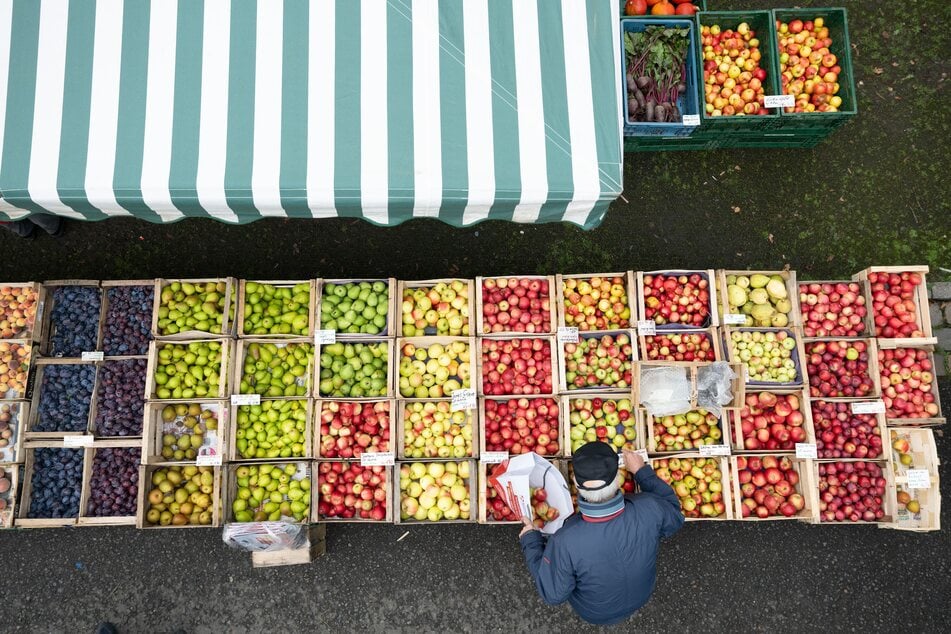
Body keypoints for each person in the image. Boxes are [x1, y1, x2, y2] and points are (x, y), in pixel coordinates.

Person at [519, 442, 684, 625]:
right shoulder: (650, 508)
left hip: (594, 612)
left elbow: (552, 593)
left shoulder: (565, 540)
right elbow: (675, 516)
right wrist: (641, 471)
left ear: (575, 482)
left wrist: (531, 541)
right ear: (618, 478)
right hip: (642, 595)